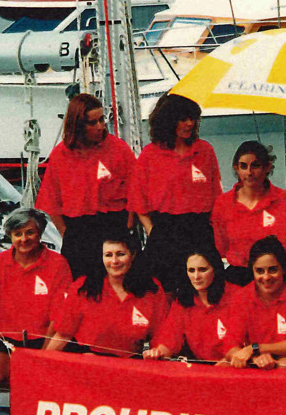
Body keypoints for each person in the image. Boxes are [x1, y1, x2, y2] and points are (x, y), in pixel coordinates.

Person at [0, 207, 72, 392]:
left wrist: (42, 358)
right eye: (17, 234)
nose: (24, 239)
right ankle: (24, 387)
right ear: (10, 236)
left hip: (46, 341)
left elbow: (58, 319)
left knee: (44, 381)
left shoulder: (58, 264)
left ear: (40, 233)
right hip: (8, 342)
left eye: (30, 233)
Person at [35, 93, 137, 279]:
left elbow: (136, 193)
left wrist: (127, 228)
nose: (100, 126)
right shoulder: (61, 155)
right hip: (79, 233)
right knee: (80, 294)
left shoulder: (119, 149)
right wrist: (67, 234)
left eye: (102, 120)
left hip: (114, 228)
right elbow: (51, 201)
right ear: (78, 125)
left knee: (119, 291)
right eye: (93, 123)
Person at [129, 94, 222, 291]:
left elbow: (217, 198)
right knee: (165, 292)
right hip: (165, 231)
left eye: (193, 118)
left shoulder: (205, 151)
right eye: (183, 119)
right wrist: (153, 232)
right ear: (168, 120)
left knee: (204, 292)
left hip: (199, 231)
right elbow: (139, 202)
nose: (189, 123)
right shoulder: (150, 155)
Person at [45, 230, 166, 357]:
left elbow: (160, 335)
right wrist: (43, 362)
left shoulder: (152, 288)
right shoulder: (83, 287)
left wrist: (155, 354)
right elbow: (63, 333)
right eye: (108, 255)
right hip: (88, 359)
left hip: (130, 362)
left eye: (120, 254)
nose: (114, 261)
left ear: (133, 255)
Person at [224, 236, 286, 369]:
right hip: (255, 361)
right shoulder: (242, 296)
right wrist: (251, 357)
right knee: (224, 364)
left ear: (283, 269)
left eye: (272, 270)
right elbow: (229, 345)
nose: (266, 277)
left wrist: (257, 348)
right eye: (259, 271)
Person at [212, 141, 286, 286]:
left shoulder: (285, 200)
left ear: (267, 167)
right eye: (243, 166)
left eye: (255, 165)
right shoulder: (223, 203)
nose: (249, 172)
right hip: (237, 279)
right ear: (236, 168)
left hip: (274, 278)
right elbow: (220, 247)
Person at [144, 248, 239, 363]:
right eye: (191, 270)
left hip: (236, 367)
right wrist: (157, 352)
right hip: (204, 370)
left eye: (202, 270)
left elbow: (244, 344)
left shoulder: (237, 296)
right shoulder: (183, 300)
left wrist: (227, 362)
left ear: (215, 269)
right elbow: (170, 338)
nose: (196, 277)